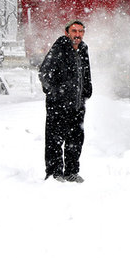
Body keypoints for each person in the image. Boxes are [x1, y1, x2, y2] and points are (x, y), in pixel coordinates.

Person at [39, 20, 92, 183]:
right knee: (55, 140)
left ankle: (71, 172)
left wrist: (87, 89)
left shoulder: (83, 48)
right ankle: (54, 173)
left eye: (81, 31)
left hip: (77, 104)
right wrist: (55, 93)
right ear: (67, 32)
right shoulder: (59, 48)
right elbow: (44, 72)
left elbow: (86, 72)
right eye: (74, 31)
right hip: (59, 105)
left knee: (75, 139)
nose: (78, 35)